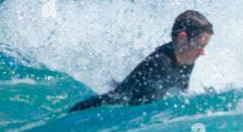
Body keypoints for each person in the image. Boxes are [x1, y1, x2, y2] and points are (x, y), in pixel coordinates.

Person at [69, 10, 213, 112]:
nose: (202, 52)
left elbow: (179, 94)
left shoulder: (186, 59)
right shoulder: (160, 64)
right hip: (105, 104)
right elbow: (135, 106)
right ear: (182, 38)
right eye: (200, 45)